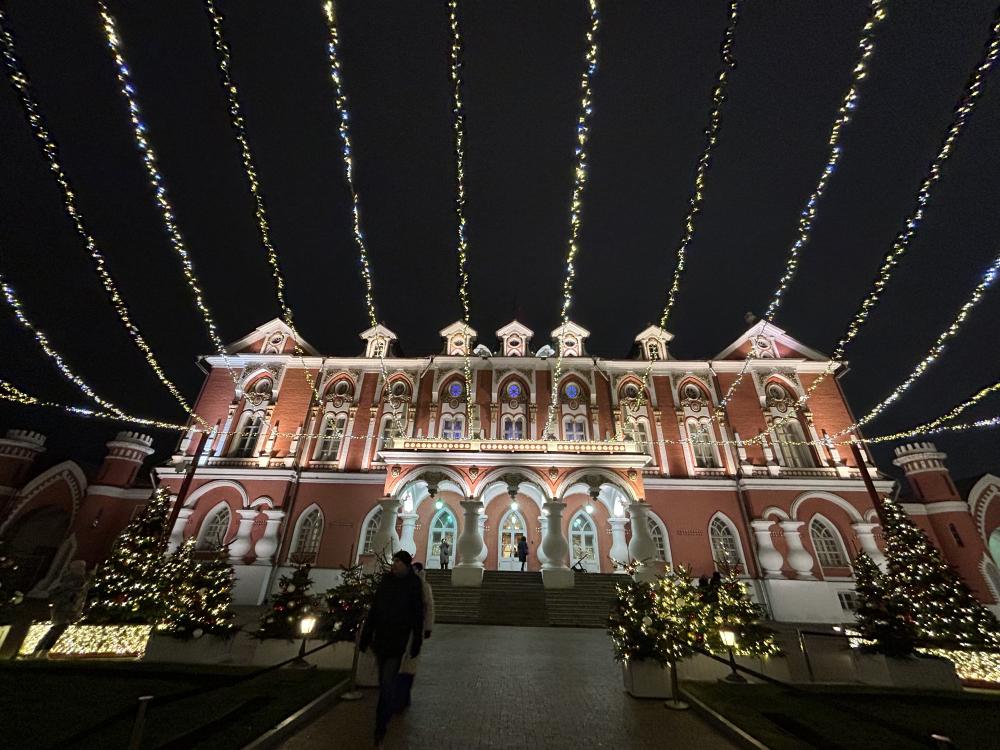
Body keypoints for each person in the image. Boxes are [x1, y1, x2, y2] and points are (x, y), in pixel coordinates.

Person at [360, 550, 424, 749]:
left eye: (398, 561)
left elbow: (418, 614)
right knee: (384, 681)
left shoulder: (414, 584)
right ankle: (384, 716)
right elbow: (375, 609)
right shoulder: (386, 582)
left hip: (397, 641)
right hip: (381, 639)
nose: (394, 564)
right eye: (394, 560)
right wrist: (367, 634)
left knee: (387, 683)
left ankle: (380, 726)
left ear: (406, 564)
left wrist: (417, 640)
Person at [32, 560, 92, 658]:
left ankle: (38, 651)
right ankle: (42, 651)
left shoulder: (70, 578)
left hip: (63, 607)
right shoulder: (74, 579)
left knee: (56, 629)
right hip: (64, 607)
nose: (82, 570)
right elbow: (72, 593)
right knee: (58, 628)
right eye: (81, 567)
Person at [396, 561, 435, 711]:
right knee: (401, 663)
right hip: (401, 628)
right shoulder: (402, 583)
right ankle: (400, 696)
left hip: (415, 629)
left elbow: (429, 607)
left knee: (410, 662)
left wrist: (428, 627)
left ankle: (403, 696)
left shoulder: (423, 586)